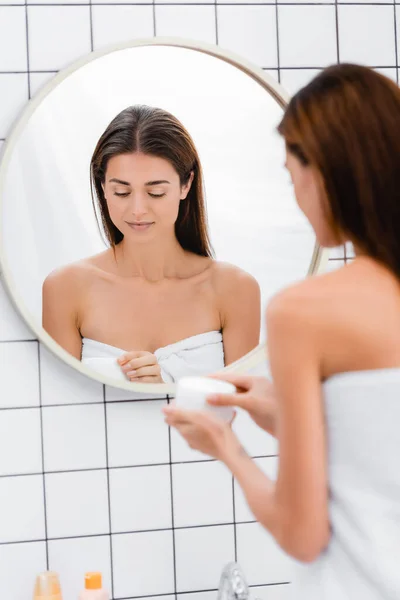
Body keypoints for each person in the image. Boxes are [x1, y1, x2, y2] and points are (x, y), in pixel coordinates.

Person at [164, 63, 400, 598]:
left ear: (323, 171)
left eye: (290, 170)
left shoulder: (305, 311)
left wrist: (225, 445)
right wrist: (292, 420)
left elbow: (303, 535)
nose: (294, 189)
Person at [42, 105, 260, 383]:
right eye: (121, 191)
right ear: (102, 186)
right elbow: (61, 407)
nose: (137, 210)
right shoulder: (65, 288)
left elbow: (241, 414)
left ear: (185, 185)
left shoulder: (235, 289)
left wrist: (162, 390)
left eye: (155, 193)